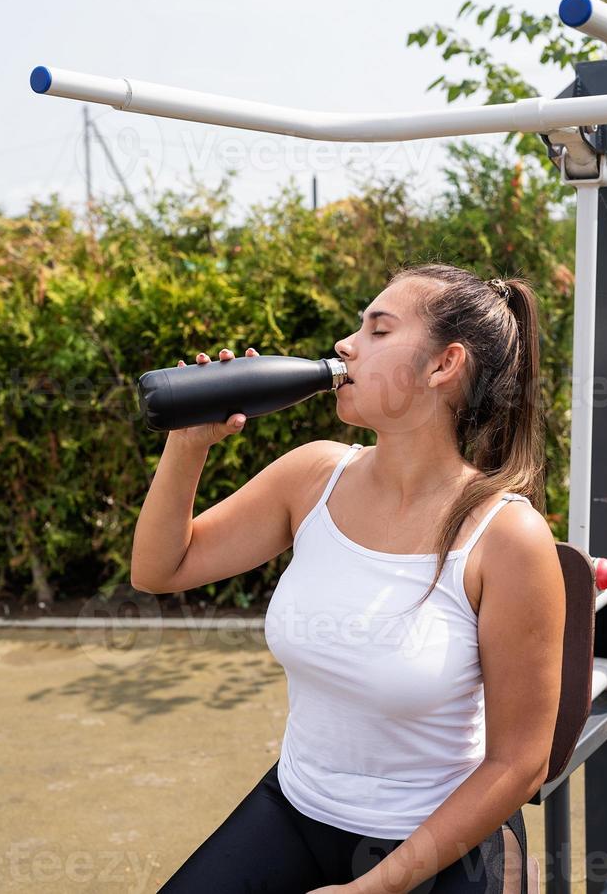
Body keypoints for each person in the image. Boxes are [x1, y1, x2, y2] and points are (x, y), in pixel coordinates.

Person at [131, 262, 565, 893]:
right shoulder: (313, 477)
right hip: (297, 807)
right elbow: (158, 569)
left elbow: (519, 765)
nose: (345, 345)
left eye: (378, 330)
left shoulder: (506, 539)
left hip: (437, 839)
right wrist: (189, 443)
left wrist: (374, 887)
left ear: (444, 365)